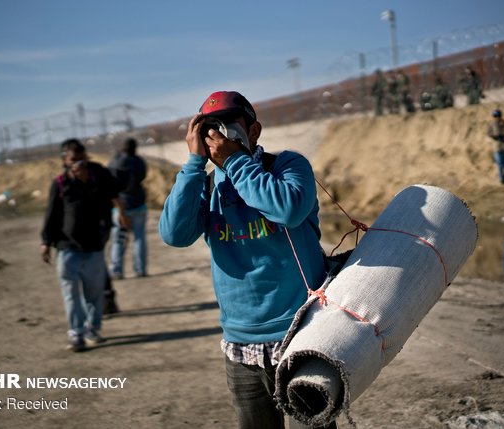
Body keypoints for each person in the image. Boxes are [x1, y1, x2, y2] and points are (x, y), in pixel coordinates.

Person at [158, 91, 333, 429]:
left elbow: (289, 209)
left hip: (302, 333)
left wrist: (236, 162)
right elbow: (174, 235)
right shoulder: (207, 186)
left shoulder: (286, 166)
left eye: (227, 126)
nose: (218, 135)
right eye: (210, 128)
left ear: (253, 132)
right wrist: (195, 164)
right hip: (241, 346)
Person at [41, 138, 127, 351]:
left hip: (94, 246)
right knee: (70, 294)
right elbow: (52, 214)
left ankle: (92, 328)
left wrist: (90, 181)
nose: (79, 163)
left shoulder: (97, 173)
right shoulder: (60, 183)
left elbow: (115, 190)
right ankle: (76, 333)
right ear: (65, 160)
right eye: (73, 159)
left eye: (82, 158)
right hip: (67, 247)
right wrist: (46, 242)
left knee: (94, 293)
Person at [108, 137, 149, 279]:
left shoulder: (115, 162)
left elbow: (109, 183)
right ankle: (141, 270)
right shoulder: (139, 161)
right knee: (140, 238)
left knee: (118, 239)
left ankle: (117, 271)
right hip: (139, 203)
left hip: (121, 206)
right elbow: (143, 176)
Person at [487, 109, 504, 184]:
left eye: (498, 116)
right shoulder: (491, 124)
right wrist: (495, 136)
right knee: (500, 164)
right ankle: (501, 179)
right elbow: (489, 133)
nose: (497, 117)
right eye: (495, 116)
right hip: (497, 147)